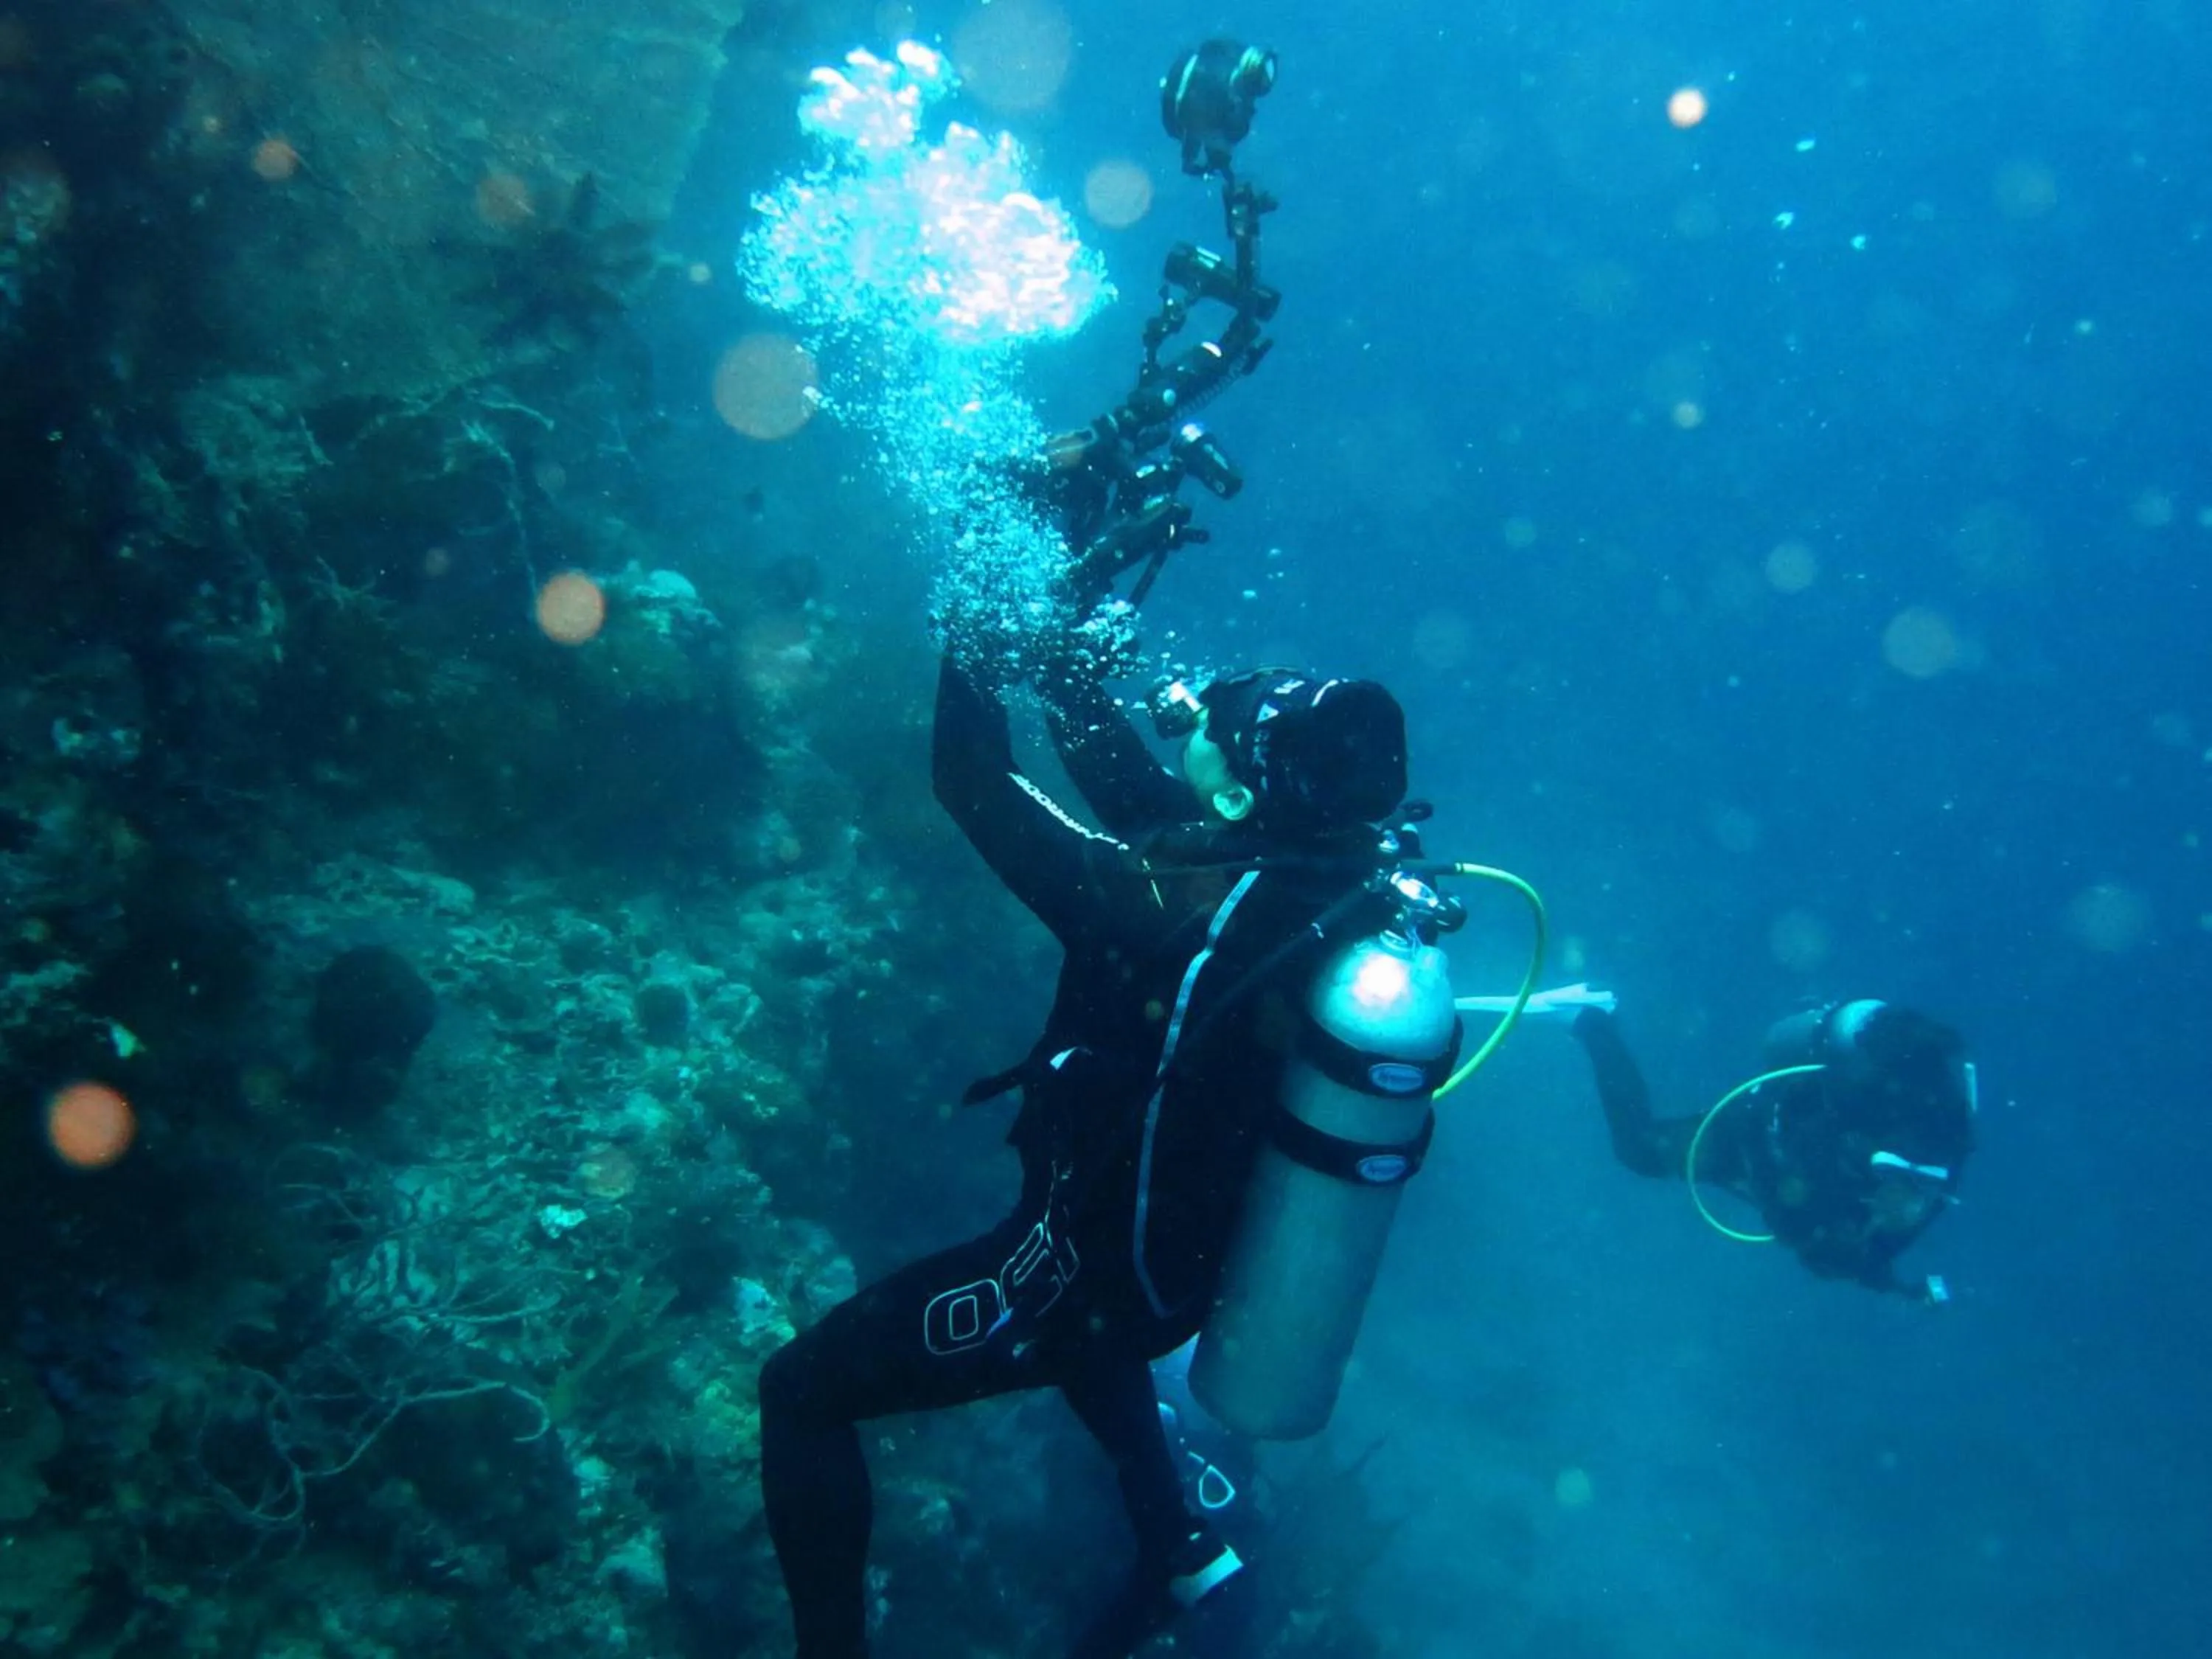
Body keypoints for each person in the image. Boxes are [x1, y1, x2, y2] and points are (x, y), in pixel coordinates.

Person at [758, 657, 1416, 1658]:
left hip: (1082, 1278)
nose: (1190, 718)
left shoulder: (1160, 908)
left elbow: (970, 778)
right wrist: (1058, 634)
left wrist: (972, 633)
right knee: (1103, 1328)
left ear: (1239, 794)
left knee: (802, 1392)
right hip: (1174, 1267)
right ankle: (1179, 1547)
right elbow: (1134, 790)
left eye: (1214, 721)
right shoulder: (1304, 879)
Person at [1571, 998, 1976, 1299]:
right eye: (1904, 1199)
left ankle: (1594, 1018)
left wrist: (1861, 1259)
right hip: (1757, 1124)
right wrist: (1808, 1228)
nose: (1900, 1212)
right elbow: (1784, 1195)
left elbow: (1870, 1252)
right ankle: (1592, 1018)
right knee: (1640, 1150)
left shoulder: (1944, 1155)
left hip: (1807, 1139)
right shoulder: (1838, 1136)